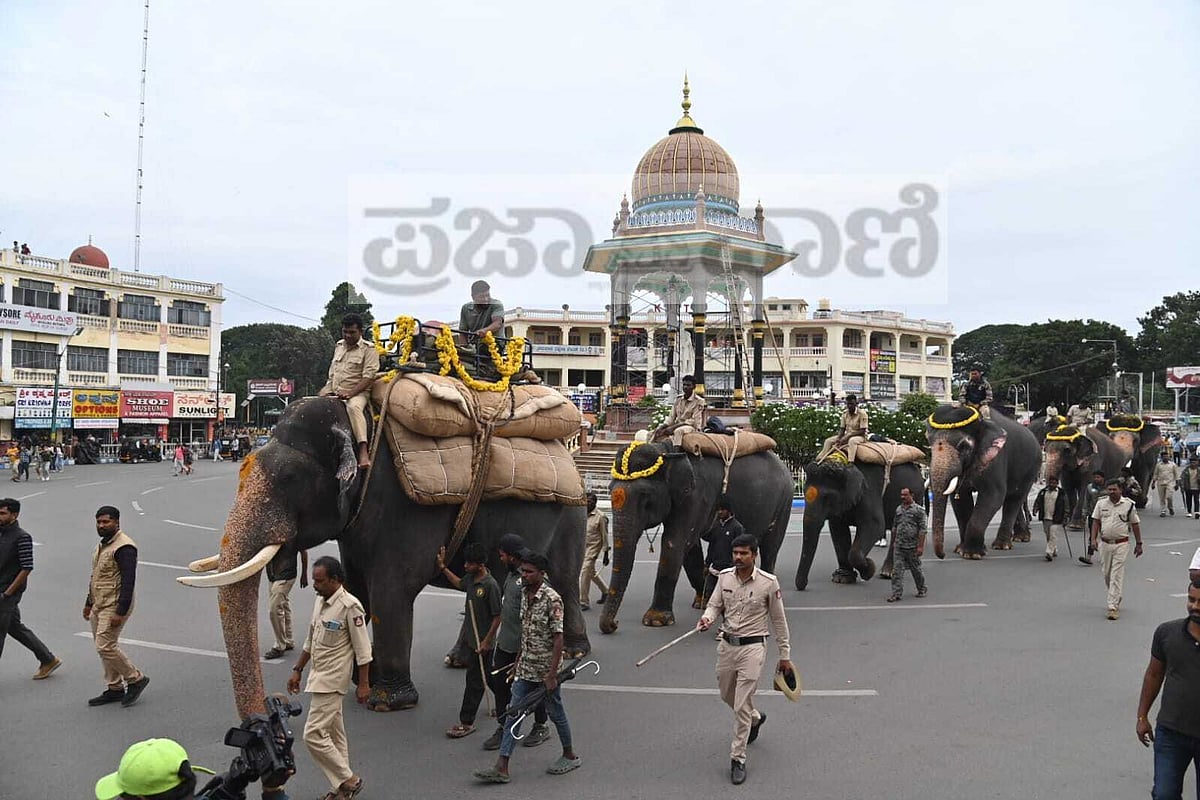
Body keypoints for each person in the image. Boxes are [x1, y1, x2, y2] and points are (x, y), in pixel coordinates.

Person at [473, 550, 579, 783]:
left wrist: (552, 674)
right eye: (523, 571)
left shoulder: (552, 599)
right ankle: (502, 766)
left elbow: (559, 638)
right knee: (514, 712)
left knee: (555, 712)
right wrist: (518, 662)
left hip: (546, 670)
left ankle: (569, 754)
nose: (525, 575)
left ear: (542, 573)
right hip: (526, 667)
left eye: (530, 572)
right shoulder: (523, 593)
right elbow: (526, 631)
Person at [697, 534, 792, 785]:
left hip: (753, 648)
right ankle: (756, 718)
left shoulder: (768, 583)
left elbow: (779, 621)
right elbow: (715, 604)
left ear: (755, 554)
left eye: (743, 553)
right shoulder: (725, 577)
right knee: (725, 693)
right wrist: (707, 617)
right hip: (727, 645)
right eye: (735, 553)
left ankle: (737, 758)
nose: (738, 558)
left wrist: (785, 655)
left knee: (740, 704)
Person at [287, 555, 370, 800]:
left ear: (336, 580)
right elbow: (311, 640)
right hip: (318, 676)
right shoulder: (320, 601)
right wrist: (297, 669)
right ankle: (341, 791)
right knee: (335, 736)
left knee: (312, 734)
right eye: (314, 580)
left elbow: (363, 651)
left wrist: (364, 685)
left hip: (333, 681)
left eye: (320, 581)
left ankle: (350, 780)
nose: (315, 584)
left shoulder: (350, 606)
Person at [483, 534, 550, 751]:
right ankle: (504, 725)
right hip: (505, 644)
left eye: (503, 555)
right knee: (499, 685)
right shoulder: (511, 577)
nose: (500, 559)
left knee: (534, 689)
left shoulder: (533, 579)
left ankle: (541, 725)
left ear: (512, 556)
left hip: (527, 648)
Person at [1135, 580, 1200, 800]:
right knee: (1164, 795)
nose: (1195, 606)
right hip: (1171, 734)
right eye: (1191, 600)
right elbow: (1153, 674)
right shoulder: (1167, 633)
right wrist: (1142, 716)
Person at [84, 505, 149, 707]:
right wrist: (88, 603)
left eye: (106, 522)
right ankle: (114, 688)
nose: (102, 525)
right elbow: (96, 576)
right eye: (99, 522)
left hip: (114, 604)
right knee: (102, 647)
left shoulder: (124, 547)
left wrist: (120, 611)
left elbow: (129, 580)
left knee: (105, 645)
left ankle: (135, 678)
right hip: (99, 603)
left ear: (117, 522)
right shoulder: (102, 546)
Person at [436, 542, 502, 739]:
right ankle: (505, 703)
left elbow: (498, 616)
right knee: (489, 677)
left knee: (474, 682)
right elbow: (458, 583)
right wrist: (442, 568)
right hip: (472, 641)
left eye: (469, 564)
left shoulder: (490, 586)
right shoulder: (471, 580)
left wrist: (487, 641)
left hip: (483, 644)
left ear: (480, 565)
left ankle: (466, 722)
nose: (465, 566)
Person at [0, 498, 61, 679]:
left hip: (7, 593)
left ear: (14, 514)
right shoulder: (1, 533)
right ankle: (48, 659)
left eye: (3, 513)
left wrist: (7, 593)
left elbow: (27, 567)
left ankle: (48, 659)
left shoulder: (21, 537)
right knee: (15, 627)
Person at [319, 313, 379, 469]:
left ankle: (363, 450)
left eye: (352, 332)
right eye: (345, 331)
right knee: (312, 404)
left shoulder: (369, 349)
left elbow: (369, 377)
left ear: (360, 332)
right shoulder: (339, 346)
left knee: (353, 408)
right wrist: (325, 391)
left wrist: (350, 393)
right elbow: (333, 372)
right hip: (334, 389)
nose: (347, 335)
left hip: (358, 393)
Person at [1090, 479, 1144, 620]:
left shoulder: (1128, 505)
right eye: (1109, 489)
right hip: (1105, 543)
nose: (1111, 492)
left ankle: (1112, 607)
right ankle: (1116, 595)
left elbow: (1135, 524)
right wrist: (1092, 540)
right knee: (1107, 574)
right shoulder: (1101, 503)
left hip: (1121, 543)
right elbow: (1096, 521)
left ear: (1120, 490)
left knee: (1116, 574)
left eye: (1114, 489)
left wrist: (1139, 544)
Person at [264, 543, 308, 660]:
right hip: (272, 575)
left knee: (274, 609)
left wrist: (304, 574)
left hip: (286, 575)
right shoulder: (268, 533)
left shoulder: (292, 533)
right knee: (283, 605)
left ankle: (279, 645)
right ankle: (288, 640)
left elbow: (303, 552)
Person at [888, 487, 929, 600]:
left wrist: (920, 546)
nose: (903, 497)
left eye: (905, 495)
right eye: (902, 495)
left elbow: (922, 529)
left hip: (912, 546)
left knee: (916, 570)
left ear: (912, 495)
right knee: (897, 571)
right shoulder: (899, 510)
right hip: (899, 546)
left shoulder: (919, 510)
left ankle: (921, 588)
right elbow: (895, 526)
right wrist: (893, 542)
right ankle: (896, 593)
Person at [701, 498, 745, 605]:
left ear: (729, 511)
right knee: (709, 593)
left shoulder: (737, 527)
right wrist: (707, 564)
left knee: (729, 596)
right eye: (718, 510)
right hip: (715, 568)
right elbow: (711, 546)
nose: (720, 512)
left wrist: (738, 566)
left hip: (729, 569)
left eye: (722, 510)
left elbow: (741, 550)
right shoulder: (715, 526)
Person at [652, 375, 707, 448]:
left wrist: (674, 427)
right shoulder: (678, 399)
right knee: (656, 431)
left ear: (693, 387)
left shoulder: (699, 401)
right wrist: (663, 426)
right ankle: (650, 448)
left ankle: (676, 452)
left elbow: (694, 421)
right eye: (684, 385)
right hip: (676, 425)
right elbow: (671, 417)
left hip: (691, 427)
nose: (685, 387)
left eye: (688, 385)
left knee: (678, 431)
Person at [578, 492, 610, 611]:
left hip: (593, 548)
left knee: (585, 571)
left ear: (595, 503)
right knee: (591, 572)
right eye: (586, 500)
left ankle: (584, 601)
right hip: (582, 547)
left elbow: (605, 536)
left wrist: (606, 553)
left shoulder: (601, 517)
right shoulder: (581, 514)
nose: (588, 503)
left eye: (590, 501)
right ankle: (606, 591)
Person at [816, 394, 869, 462]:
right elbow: (842, 428)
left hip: (860, 436)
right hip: (847, 435)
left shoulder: (862, 414)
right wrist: (839, 438)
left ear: (856, 403)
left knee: (852, 441)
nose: (850, 406)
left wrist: (848, 436)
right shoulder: (845, 413)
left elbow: (862, 430)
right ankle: (820, 458)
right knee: (828, 441)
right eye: (848, 404)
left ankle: (851, 461)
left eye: (852, 404)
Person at [1033, 475, 1068, 561]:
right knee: (1048, 534)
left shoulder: (1062, 493)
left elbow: (1066, 506)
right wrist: (1035, 509)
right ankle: (1054, 548)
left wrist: (1066, 517)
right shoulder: (1043, 492)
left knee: (1053, 535)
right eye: (1051, 483)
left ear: (1057, 484)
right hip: (1045, 517)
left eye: (1054, 483)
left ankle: (1049, 552)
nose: (1052, 484)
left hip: (1056, 517)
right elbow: (1038, 501)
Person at [1150, 450, 1180, 518]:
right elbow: (1155, 474)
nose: (1165, 458)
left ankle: (1170, 507)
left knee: (1169, 497)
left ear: (1169, 457)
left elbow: (1176, 475)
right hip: (1160, 483)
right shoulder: (1158, 465)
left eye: (1167, 456)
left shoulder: (1172, 465)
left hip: (1170, 483)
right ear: (1161, 457)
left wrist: (1177, 484)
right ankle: (1163, 511)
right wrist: (1153, 483)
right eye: (1164, 457)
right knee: (1162, 498)